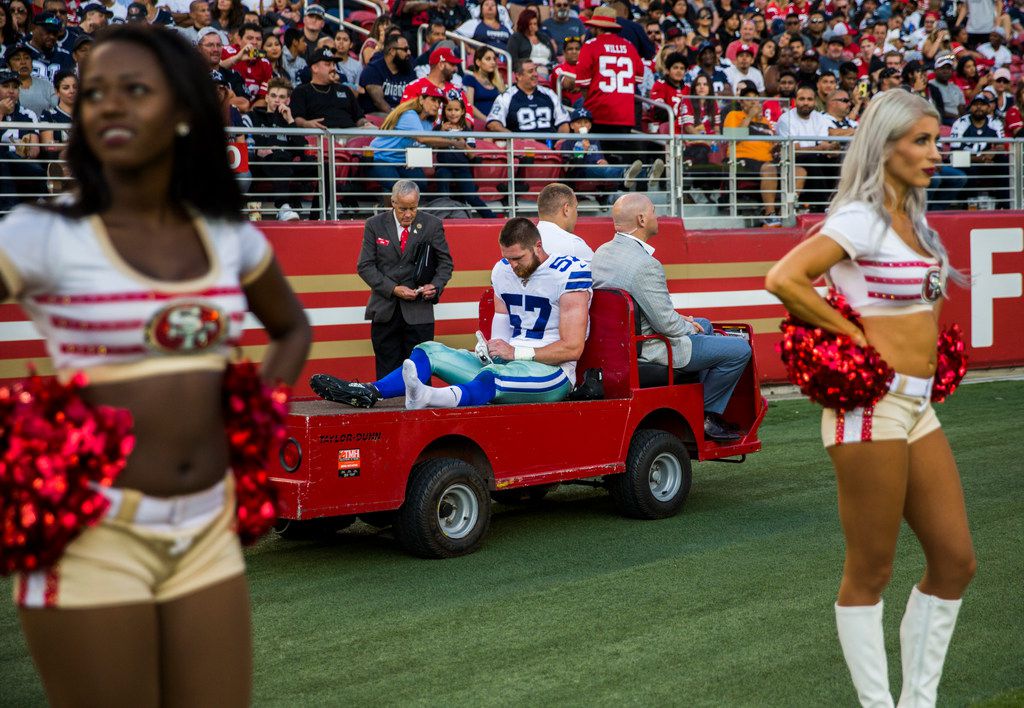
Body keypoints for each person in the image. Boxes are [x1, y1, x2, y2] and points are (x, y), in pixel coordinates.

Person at [0, 25, 310, 705]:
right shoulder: (41, 234)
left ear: (182, 114)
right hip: (90, 535)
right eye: (95, 92)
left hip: (207, 531)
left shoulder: (228, 235)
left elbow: (291, 328)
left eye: (134, 90)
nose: (106, 104)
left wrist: (252, 419)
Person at [765, 89, 975, 708]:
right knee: (871, 570)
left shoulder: (917, 222)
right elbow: (784, 278)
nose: (935, 153)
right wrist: (854, 336)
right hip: (870, 406)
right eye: (920, 141)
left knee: (955, 561)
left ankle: (918, 701)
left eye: (937, 140)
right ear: (883, 147)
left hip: (917, 406)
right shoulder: (861, 219)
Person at [312, 216, 589, 409]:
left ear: (537, 246)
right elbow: (501, 335)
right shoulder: (502, 270)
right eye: (507, 257)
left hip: (551, 375)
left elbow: (573, 348)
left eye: (518, 258)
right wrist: (490, 349)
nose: (512, 265)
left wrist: (516, 353)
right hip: (509, 364)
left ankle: (430, 396)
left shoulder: (568, 273)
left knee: (492, 378)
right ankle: (370, 392)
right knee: (429, 350)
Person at [592, 193, 750, 441]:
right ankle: (704, 415)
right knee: (739, 349)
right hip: (649, 348)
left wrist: (688, 322)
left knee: (705, 324)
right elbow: (666, 324)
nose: (658, 217)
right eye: (655, 212)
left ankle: (702, 407)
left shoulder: (601, 252)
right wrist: (690, 327)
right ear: (642, 219)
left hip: (619, 346)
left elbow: (649, 310)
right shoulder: (646, 264)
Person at [347, 179, 453, 378]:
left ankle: (419, 410)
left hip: (420, 312)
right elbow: (365, 266)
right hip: (385, 310)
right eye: (403, 208)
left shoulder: (432, 224)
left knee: (419, 375)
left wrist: (436, 286)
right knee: (387, 374)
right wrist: (394, 289)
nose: (408, 214)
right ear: (393, 203)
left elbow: (445, 263)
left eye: (413, 208)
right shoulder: (374, 225)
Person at [573, 6, 644, 159]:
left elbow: (583, 84)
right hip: (625, 114)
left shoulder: (591, 45)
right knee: (621, 158)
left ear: (597, 27)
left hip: (599, 112)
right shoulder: (629, 46)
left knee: (598, 157)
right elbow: (638, 78)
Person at [369, 85, 464, 193]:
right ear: (421, 99)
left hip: (401, 162)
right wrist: (453, 143)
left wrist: (413, 160)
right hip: (380, 158)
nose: (437, 105)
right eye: (433, 100)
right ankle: (385, 207)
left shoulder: (428, 124)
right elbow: (422, 139)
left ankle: (387, 205)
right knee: (398, 187)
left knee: (421, 185)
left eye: (439, 102)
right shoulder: (409, 114)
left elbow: (426, 146)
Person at [247, 77, 310, 221]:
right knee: (278, 156)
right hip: (260, 164)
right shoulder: (253, 116)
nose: (277, 100)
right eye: (273, 96)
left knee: (322, 167)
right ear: (267, 97)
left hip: (286, 165)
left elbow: (302, 149)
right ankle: (283, 207)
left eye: (282, 97)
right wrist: (257, 151)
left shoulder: (288, 120)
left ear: (287, 101)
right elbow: (242, 142)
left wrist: (290, 121)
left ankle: (318, 213)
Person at [723, 80, 782, 225]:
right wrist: (749, 117)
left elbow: (771, 143)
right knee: (769, 169)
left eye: (755, 98)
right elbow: (732, 138)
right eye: (748, 99)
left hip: (767, 160)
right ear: (742, 103)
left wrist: (777, 147)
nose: (753, 102)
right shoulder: (734, 115)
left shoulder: (765, 121)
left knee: (798, 170)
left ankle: (787, 211)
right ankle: (770, 214)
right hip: (742, 159)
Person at [776, 85, 840, 210]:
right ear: (795, 101)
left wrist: (833, 148)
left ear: (814, 101)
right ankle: (824, 204)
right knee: (811, 158)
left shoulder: (819, 118)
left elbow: (824, 145)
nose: (806, 103)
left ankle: (838, 201)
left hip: (814, 157)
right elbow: (793, 150)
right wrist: (819, 148)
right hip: (791, 160)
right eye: (802, 99)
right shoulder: (786, 119)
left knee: (839, 158)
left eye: (809, 99)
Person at [434, 97, 496, 218]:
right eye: (449, 109)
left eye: (456, 109)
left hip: (462, 168)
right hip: (444, 167)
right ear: (444, 111)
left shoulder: (467, 131)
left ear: (463, 111)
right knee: (443, 192)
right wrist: (442, 131)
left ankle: (492, 218)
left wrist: (462, 141)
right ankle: (443, 219)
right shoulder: (439, 129)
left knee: (471, 196)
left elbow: (472, 154)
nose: (452, 113)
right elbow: (432, 143)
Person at [948, 93, 1008, 206]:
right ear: (970, 107)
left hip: (987, 163)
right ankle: (969, 206)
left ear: (988, 107)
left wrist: (993, 152)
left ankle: (1005, 205)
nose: (979, 107)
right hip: (968, 163)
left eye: (982, 104)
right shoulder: (960, 123)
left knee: (1004, 161)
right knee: (967, 167)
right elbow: (955, 155)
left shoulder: (995, 122)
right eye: (975, 104)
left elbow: (1001, 146)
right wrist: (978, 159)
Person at [291, 48, 373, 129]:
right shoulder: (301, 91)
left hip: (351, 136)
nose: (333, 68)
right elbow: (296, 118)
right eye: (328, 64)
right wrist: (306, 124)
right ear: (315, 68)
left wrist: (366, 123)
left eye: (333, 64)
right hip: (321, 137)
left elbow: (359, 118)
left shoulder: (345, 90)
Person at [487, 59, 569, 134]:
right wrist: (514, 138)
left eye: (536, 70)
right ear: (518, 76)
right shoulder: (506, 97)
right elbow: (493, 124)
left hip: (548, 147)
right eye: (530, 71)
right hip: (520, 147)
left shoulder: (549, 94)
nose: (536, 74)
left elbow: (563, 123)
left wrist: (560, 141)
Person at [358, 33, 417, 114]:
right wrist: (396, 117)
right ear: (392, 51)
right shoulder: (373, 70)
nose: (409, 53)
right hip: (377, 115)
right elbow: (379, 102)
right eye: (405, 49)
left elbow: (415, 99)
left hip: (404, 115)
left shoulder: (408, 70)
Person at [536, 182, 594, 260]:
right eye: (576, 207)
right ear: (566, 209)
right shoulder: (574, 245)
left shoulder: (523, 241)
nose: (577, 214)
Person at [7, 43, 56, 118]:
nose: (23, 62)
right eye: (17, 59)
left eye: (27, 58)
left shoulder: (46, 85)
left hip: (43, 128)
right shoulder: (5, 87)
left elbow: (58, 107)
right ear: (8, 65)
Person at [507, 9, 558, 78]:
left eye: (535, 24)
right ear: (523, 24)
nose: (533, 26)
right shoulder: (516, 38)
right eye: (530, 24)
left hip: (548, 69)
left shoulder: (544, 37)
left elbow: (554, 58)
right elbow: (513, 60)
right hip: (529, 70)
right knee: (542, 72)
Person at [463, 45, 506, 119]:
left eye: (494, 59)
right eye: (488, 59)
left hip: (498, 122)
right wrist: (487, 120)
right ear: (478, 62)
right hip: (479, 124)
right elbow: (469, 105)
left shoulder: (498, 81)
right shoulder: (470, 79)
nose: (493, 62)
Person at [929, 55, 966, 126]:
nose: (946, 71)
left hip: (957, 120)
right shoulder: (930, 85)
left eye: (948, 68)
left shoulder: (955, 87)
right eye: (942, 68)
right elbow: (936, 110)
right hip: (942, 120)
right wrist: (956, 117)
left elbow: (961, 108)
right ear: (935, 70)